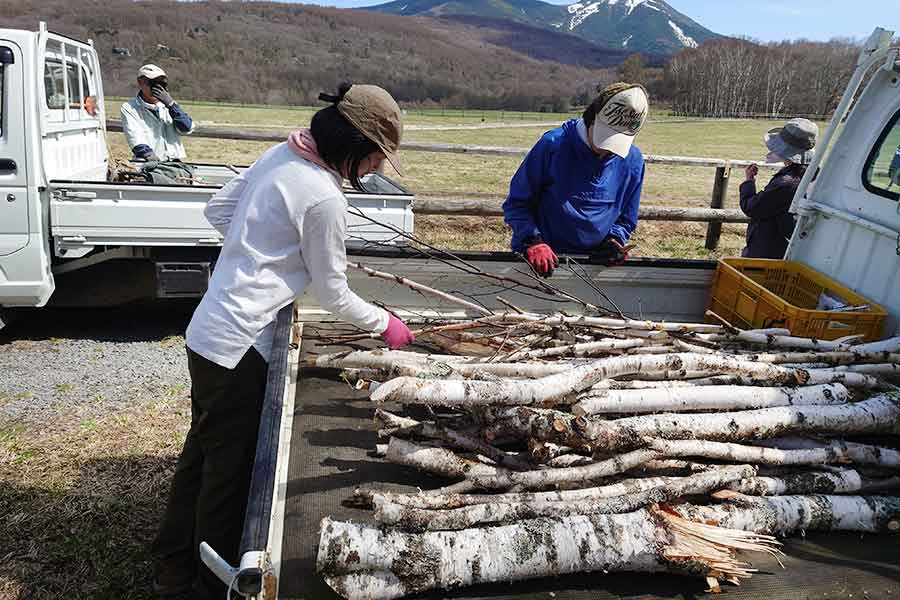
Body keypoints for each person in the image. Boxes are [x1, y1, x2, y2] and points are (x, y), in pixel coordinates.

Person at [150, 83, 415, 600]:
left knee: (202, 453)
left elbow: (220, 212)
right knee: (229, 475)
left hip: (208, 333)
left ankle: (171, 565)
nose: (374, 169)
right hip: (240, 347)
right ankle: (211, 584)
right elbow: (333, 293)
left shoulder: (282, 152)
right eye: (376, 158)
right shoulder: (323, 196)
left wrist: (262, 252)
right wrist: (384, 324)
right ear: (355, 147)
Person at [502, 83, 648, 277]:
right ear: (592, 118)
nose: (607, 148)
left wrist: (613, 241)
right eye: (604, 137)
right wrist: (532, 239)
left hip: (594, 269)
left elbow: (626, 219)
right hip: (542, 262)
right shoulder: (553, 146)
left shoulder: (632, 161)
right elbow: (517, 203)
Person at [739, 118, 818, 259]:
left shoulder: (786, 183)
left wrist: (749, 181)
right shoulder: (813, 174)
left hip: (769, 251)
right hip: (791, 248)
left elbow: (752, 207)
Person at [121, 64, 194, 162]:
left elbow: (186, 128)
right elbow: (135, 136)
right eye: (152, 83)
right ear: (140, 82)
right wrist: (148, 155)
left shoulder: (170, 106)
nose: (156, 87)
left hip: (173, 162)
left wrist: (171, 105)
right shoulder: (129, 108)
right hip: (147, 162)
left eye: (161, 84)